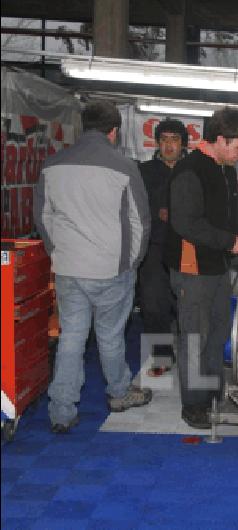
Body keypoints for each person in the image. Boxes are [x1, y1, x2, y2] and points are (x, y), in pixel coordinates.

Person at [34, 100, 153, 434]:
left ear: (84, 126)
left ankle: (61, 411)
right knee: (111, 336)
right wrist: (131, 262)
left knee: (71, 338)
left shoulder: (52, 164)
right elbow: (140, 222)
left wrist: (59, 252)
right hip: (110, 268)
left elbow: (43, 219)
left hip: (70, 267)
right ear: (114, 132)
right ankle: (118, 393)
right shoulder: (124, 167)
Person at [165, 107, 238, 429]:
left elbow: (233, 214)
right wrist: (228, 242)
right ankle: (194, 404)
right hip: (191, 268)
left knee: (217, 332)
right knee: (195, 338)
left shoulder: (225, 170)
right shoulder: (189, 171)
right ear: (219, 140)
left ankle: (212, 391)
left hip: (216, 267)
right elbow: (185, 223)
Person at [137, 118, 188, 369]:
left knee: (188, 306)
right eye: (164, 140)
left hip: (188, 248)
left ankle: (192, 357)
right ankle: (161, 356)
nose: (169, 146)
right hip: (154, 248)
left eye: (175, 140)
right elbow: (133, 209)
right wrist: (156, 211)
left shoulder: (193, 170)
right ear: (157, 143)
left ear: (183, 144)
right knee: (153, 304)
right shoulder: (144, 172)